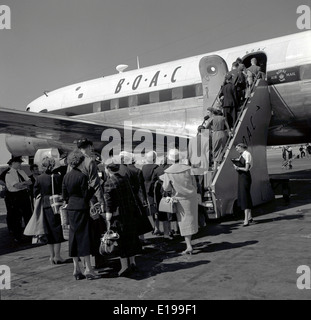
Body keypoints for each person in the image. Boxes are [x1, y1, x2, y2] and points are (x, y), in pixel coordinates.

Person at [62, 149, 101, 280]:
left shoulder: (66, 176)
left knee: (73, 238)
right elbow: (86, 195)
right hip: (82, 208)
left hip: (71, 208)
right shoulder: (82, 176)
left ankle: (76, 268)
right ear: (80, 161)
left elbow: (64, 196)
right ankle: (88, 269)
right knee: (84, 237)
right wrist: (92, 188)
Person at [104, 160, 143, 277]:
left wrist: (108, 218)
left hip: (118, 216)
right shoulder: (125, 178)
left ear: (108, 169)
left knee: (121, 240)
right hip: (130, 212)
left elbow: (109, 203)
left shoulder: (109, 183)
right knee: (132, 238)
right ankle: (132, 262)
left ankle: (124, 266)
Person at [75, 138, 106, 268]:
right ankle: (97, 260)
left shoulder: (73, 162)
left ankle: (85, 261)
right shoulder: (89, 162)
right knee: (97, 229)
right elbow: (95, 184)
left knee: (82, 231)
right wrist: (101, 201)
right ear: (89, 147)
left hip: (77, 201)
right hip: (91, 201)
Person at [162, 148, 198, 254]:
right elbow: (194, 183)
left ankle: (189, 246)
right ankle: (189, 244)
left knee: (184, 221)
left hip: (180, 199)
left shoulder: (168, 171)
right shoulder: (188, 168)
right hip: (191, 197)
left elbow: (166, 188)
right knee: (191, 219)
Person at [33, 157, 66, 264]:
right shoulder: (57, 177)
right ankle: (57, 256)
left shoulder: (39, 178)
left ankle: (51, 256)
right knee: (57, 231)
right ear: (52, 165)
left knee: (48, 231)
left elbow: (35, 193)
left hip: (45, 205)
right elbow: (63, 191)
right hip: (55, 205)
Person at [5, 156, 33, 243]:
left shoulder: (21, 171)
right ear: (13, 163)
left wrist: (22, 184)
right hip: (15, 196)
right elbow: (17, 186)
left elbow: (30, 182)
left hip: (23, 194)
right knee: (17, 217)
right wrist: (24, 184)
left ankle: (29, 235)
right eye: (18, 163)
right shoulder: (8, 174)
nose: (20, 164)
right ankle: (18, 236)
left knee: (28, 215)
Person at [232, 143, 254, 227]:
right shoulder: (242, 155)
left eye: (237, 148)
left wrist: (238, 168)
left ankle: (246, 219)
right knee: (245, 195)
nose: (237, 150)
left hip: (245, 176)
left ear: (241, 147)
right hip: (242, 176)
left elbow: (246, 168)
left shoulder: (247, 154)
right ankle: (249, 217)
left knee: (245, 196)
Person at [142, 151, 162, 235]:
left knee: (151, 209)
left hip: (146, 189)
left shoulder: (143, 167)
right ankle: (157, 227)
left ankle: (154, 227)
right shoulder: (156, 167)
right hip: (154, 190)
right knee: (156, 209)